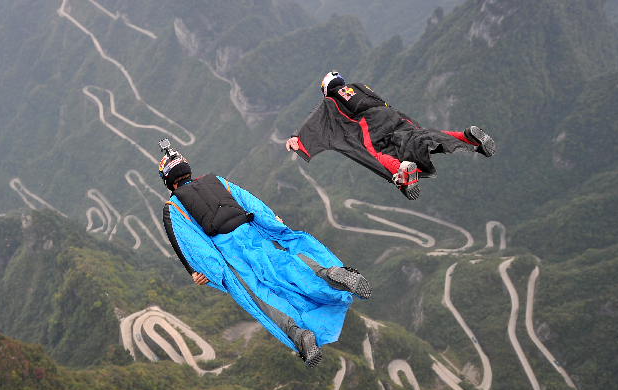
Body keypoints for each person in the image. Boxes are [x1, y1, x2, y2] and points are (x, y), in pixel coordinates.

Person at [157, 139, 370, 367]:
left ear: (169, 182)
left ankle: (298, 334)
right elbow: (249, 201)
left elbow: (189, 244)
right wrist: (271, 221)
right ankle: (328, 273)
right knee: (286, 265)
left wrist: (203, 273)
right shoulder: (215, 181)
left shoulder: (174, 207)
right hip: (250, 233)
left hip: (230, 254)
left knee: (260, 297)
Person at [285, 71, 495, 200]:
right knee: (420, 136)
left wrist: (297, 136)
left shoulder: (331, 99)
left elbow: (316, 117)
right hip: (392, 114)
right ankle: (467, 137)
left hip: (369, 122)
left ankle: (402, 173)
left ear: (326, 89)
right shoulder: (360, 86)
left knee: (375, 152)